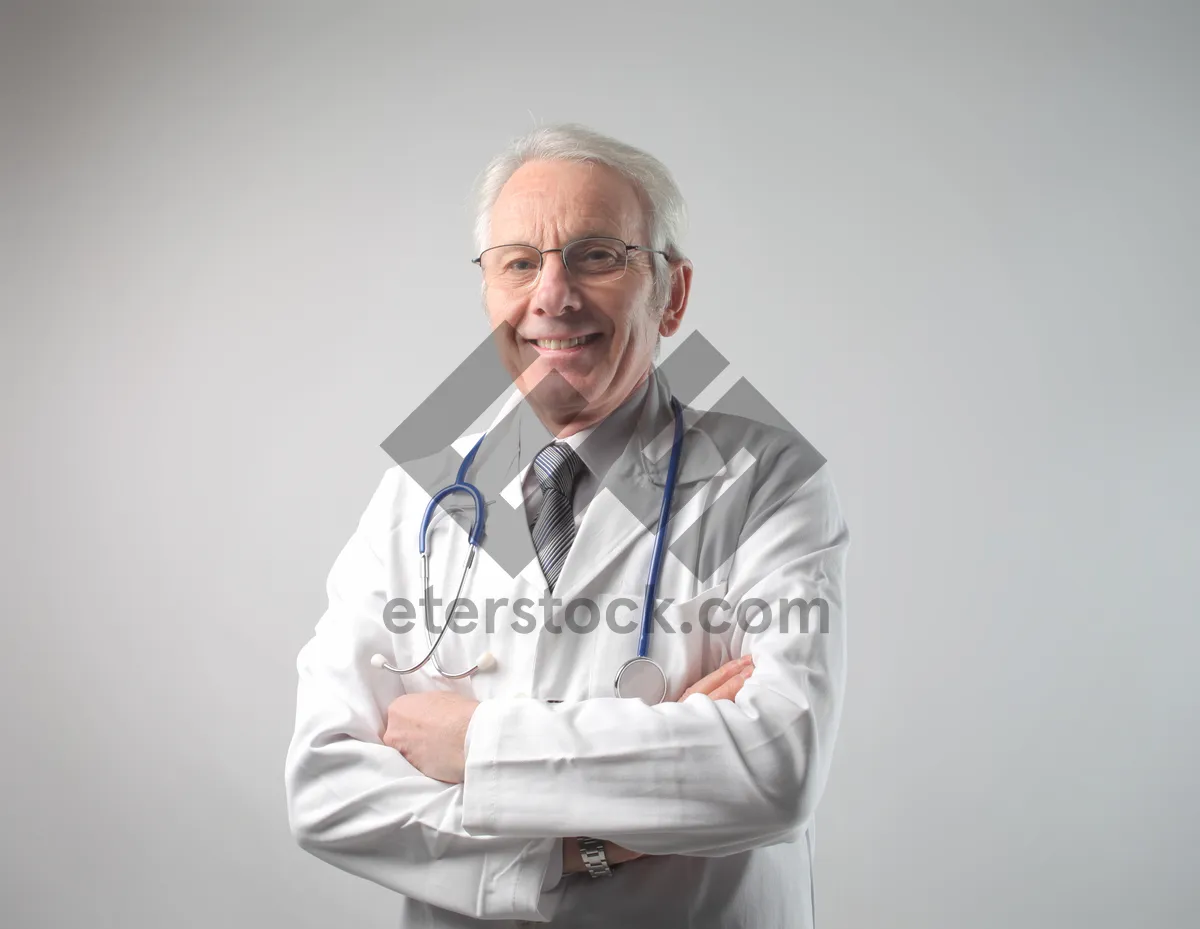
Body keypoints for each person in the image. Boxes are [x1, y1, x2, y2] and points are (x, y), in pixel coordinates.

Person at [284, 124, 850, 928]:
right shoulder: (417, 496)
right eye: (519, 263)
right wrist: (576, 850)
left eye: (596, 255)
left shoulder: (767, 480)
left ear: (672, 295)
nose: (552, 295)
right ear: (490, 292)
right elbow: (325, 789)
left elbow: (772, 769)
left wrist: (476, 742)